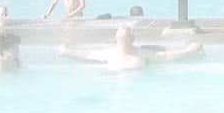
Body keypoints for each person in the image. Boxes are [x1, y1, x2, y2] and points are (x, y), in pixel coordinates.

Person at [57, 25, 201, 70]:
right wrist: (67, 51)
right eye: (120, 38)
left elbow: (165, 56)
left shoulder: (142, 54)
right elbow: (88, 55)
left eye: (125, 38)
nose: (122, 41)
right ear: (116, 39)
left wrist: (189, 51)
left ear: (132, 39)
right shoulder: (110, 54)